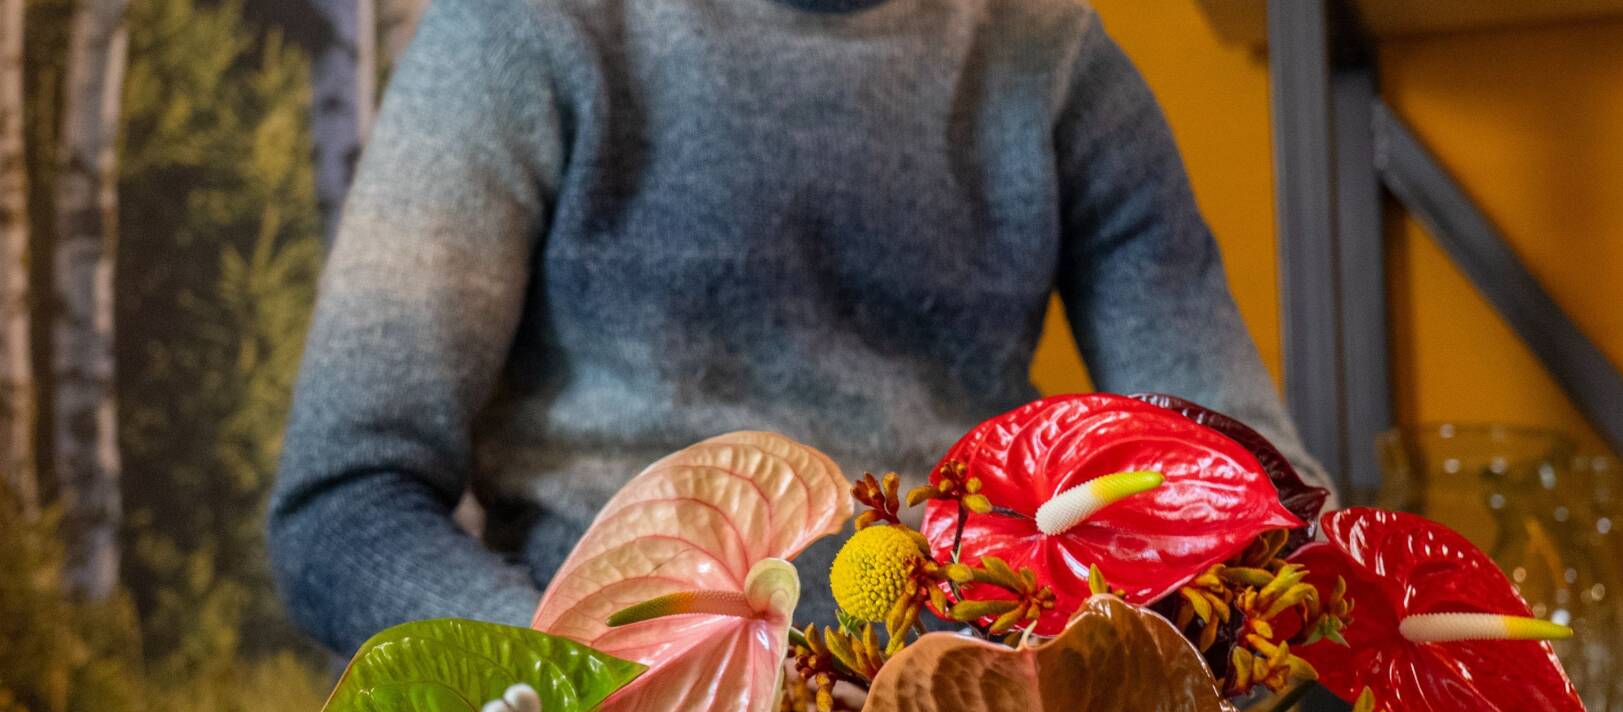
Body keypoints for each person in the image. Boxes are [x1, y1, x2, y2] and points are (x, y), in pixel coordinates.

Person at [268, 0, 1329, 657]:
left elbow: (1260, 502)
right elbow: (343, 504)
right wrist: (586, 704)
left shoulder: (1053, 58)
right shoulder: (519, 31)